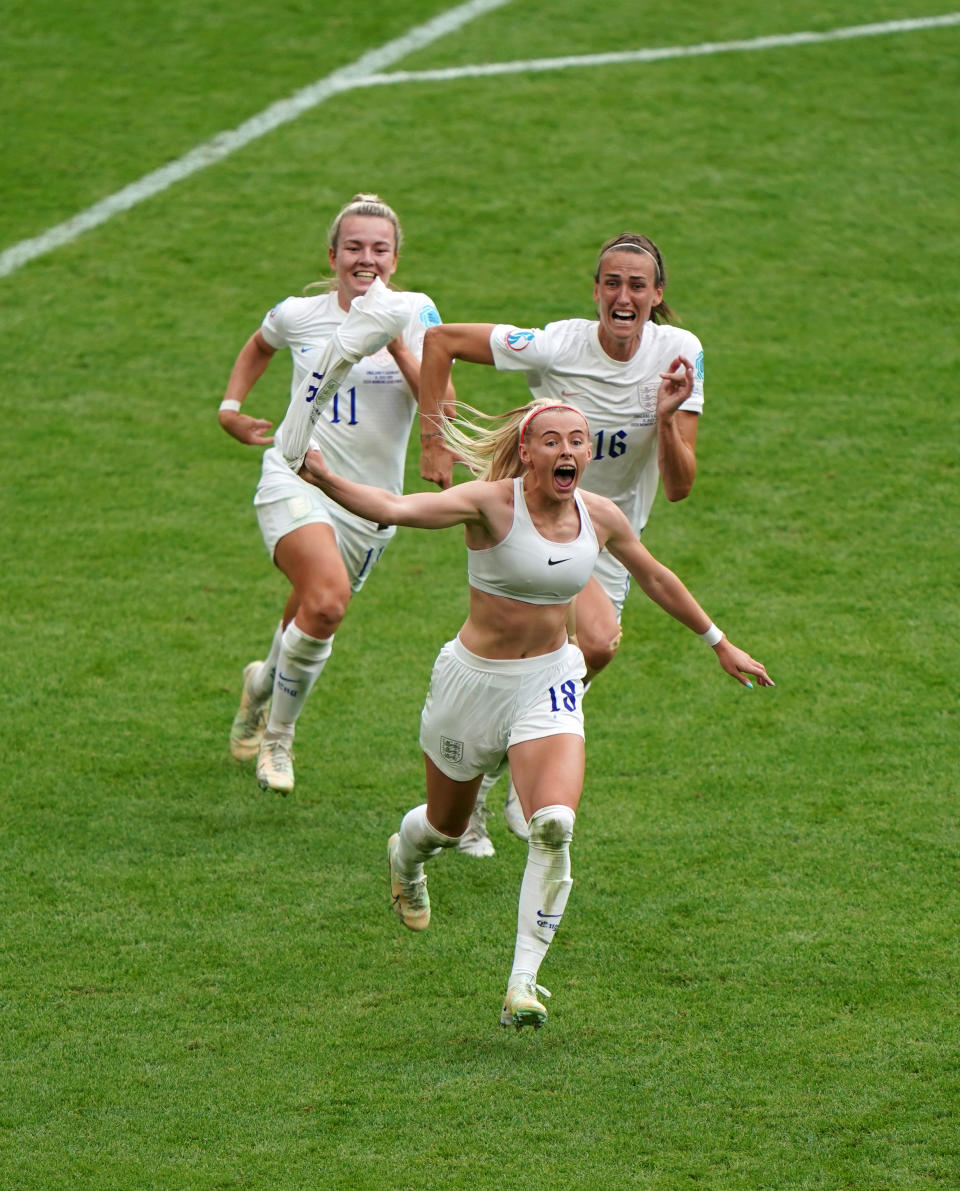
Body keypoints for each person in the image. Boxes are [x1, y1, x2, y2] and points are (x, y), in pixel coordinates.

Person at [299, 398, 773, 1031]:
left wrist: (719, 642)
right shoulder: (490, 503)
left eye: (578, 440)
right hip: (472, 683)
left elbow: (655, 577)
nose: (569, 451)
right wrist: (324, 477)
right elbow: (396, 509)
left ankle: (523, 982)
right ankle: (406, 859)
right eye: (553, 441)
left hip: (550, 679)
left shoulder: (598, 516)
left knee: (553, 825)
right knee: (445, 827)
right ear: (527, 452)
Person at [414, 232, 706, 856]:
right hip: (536, 525)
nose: (622, 296)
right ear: (597, 291)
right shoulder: (557, 345)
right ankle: (506, 778)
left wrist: (664, 417)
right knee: (585, 643)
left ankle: (499, 775)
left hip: (608, 533)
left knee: (591, 653)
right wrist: (433, 439)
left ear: (657, 296)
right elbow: (441, 342)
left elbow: (679, 487)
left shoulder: (680, 353)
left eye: (636, 285)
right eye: (611, 282)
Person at [218, 193, 454, 794]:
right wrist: (231, 408)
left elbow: (443, 403)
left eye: (379, 248)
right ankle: (278, 739)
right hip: (295, 474)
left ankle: (263, 683)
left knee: (312, 605)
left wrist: (394, 340)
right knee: (325, 602)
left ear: (395, 259)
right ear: (333, 254)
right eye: (353, 247)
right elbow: (259, 345)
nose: (365, 258)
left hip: (368, 506)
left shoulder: (416, 312)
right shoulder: (300, 314)